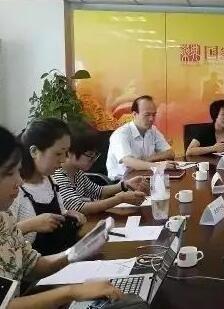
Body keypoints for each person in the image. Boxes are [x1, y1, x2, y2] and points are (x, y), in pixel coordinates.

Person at [0, 125, 122, 308]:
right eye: (9, 173)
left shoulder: (4, 217)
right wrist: (71, 292)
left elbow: (32, 265)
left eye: (18, 171)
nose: (18, 181)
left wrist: (78, 251)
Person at [11, 119, 86, 255]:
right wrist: (30, 225)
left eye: (66, 153)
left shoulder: (50, 180)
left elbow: (59, 213)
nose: (63, 160)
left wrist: (68, 214)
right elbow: (4, 239)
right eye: (58, 153)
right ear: (34, 151)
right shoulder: (13, 189)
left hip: (61, 256)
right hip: (34, 264)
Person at [52, 122, 148, 215]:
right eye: (90, 155)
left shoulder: (77, 172)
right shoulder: (58, 177)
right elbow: (79, 208)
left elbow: (98, 192)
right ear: (69, 153)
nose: (94, 159)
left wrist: (125, 185)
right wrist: (120, 199)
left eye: (96, 154)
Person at [106, 95, 175, 179]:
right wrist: (158, 166)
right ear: (134, 114)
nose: (151, 119)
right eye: (147, 115)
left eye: (154, 115)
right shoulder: (120, 134)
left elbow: (170, 153)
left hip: (145, 174)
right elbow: (129, 162)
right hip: (123, 180)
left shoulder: (152, 130)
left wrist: (147, 159)